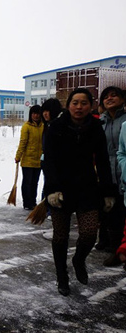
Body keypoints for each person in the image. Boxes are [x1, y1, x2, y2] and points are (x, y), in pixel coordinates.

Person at [44, 88, 116, 297]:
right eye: (75, 102)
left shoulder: (95, 127)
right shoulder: (56, 127)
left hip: (87, 189)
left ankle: (78, 260)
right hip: (61, 189)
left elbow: (103, 161)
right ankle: (62, 276)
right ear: (68, 105)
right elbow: (49, 161)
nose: (79, 107)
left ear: (90, 106)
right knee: (60, 237)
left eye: (83, 103)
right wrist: (52, 190)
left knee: (89, 233)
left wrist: (107, 191)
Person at [98, 86, 126, 266]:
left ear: (123, 99)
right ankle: (115, 249)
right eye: (106, 97)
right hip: (106, 171)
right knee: (110, 212)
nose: (109, 99)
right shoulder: (101, 121)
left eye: (114, 95)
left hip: (123, 171)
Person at [15, 105, 44, 210]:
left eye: (38, 113)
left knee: (35, 182)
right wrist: (18, 156)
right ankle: (26, 202)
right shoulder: (26, 126)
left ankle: (33, 201)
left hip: (39, 160)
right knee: (27, 181)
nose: (36, 116)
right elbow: (23, 142)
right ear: (30, 114)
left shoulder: (43, 126)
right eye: (34, 113)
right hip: (28, 159)